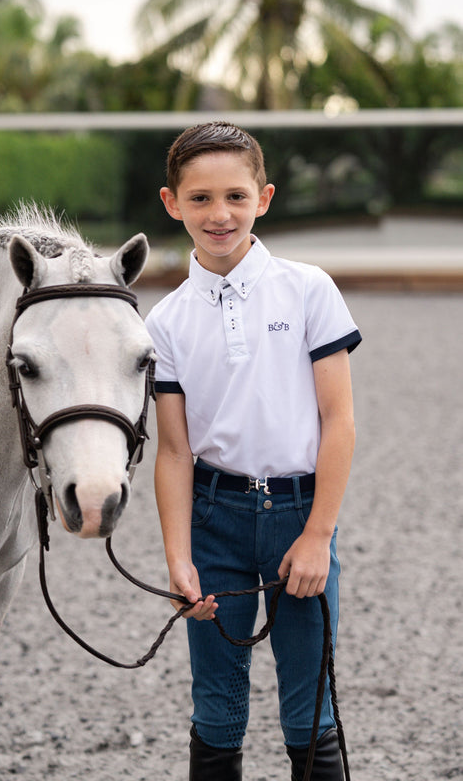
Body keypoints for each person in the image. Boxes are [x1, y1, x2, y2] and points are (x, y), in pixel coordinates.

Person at [144, 121, 361, 781]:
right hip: (215, 527)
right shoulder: (164, 322)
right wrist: (180, 561)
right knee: (216, 710)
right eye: (201, 198)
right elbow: (175, 453)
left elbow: (339, 421)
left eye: (235, 196)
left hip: (299, 517)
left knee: (309, 712)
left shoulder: (307, 289)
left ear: (263, 198)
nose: (220, 214)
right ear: (171, 203)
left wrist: (317, 536)